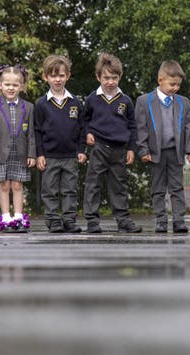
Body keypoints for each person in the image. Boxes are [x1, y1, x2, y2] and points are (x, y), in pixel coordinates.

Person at [136, 60, 190, 233]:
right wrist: (143, 149)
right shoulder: (144, 101)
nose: (175, 88)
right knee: (158, 187)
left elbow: (189, 127)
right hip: (155, 153)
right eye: (172, 84)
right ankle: (161, 220)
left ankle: (179, 220)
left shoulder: (183, 102)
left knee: (177, 187)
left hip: (175, 151)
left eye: (178, 85)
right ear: (160, 80)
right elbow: (140, 128)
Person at [82, 53, 142, 233]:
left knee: (119, 185)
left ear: (120, 77)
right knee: (93, 183)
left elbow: (132, 126)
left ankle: (123, 220)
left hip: (119, 149)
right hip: (99, 147)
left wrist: (131, 149)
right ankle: (92, 220)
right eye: (106, 78)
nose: (110, 82)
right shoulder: (92, 98)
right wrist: (87, 133)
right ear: (98, 77)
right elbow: (84, 120)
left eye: (114, 78)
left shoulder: (125, 100)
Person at [34, 54, 87, 233]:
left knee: (70, 190)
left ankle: (69, 219)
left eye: (61, 75)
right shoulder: (41, 104)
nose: (57, 79)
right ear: (45, 77)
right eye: (53, 75)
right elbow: (37, 131)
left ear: (68, 76)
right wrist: (39, 154)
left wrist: (81, 149)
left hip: (70, 156)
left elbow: (82, 128)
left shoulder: (75, 103)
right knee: (49, 190)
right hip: (49, 156)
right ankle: (53, 220)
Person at [0, 64, 35, 233]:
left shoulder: (28, 107)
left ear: (21, 86)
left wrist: (32, 154)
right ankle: (6, 217)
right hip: (0, 152)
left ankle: (19, 217)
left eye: (15, 85)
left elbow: (31, 134)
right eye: (7, 84)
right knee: (4, 185)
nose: (11, 88)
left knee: (18, 185)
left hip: (20, 151)